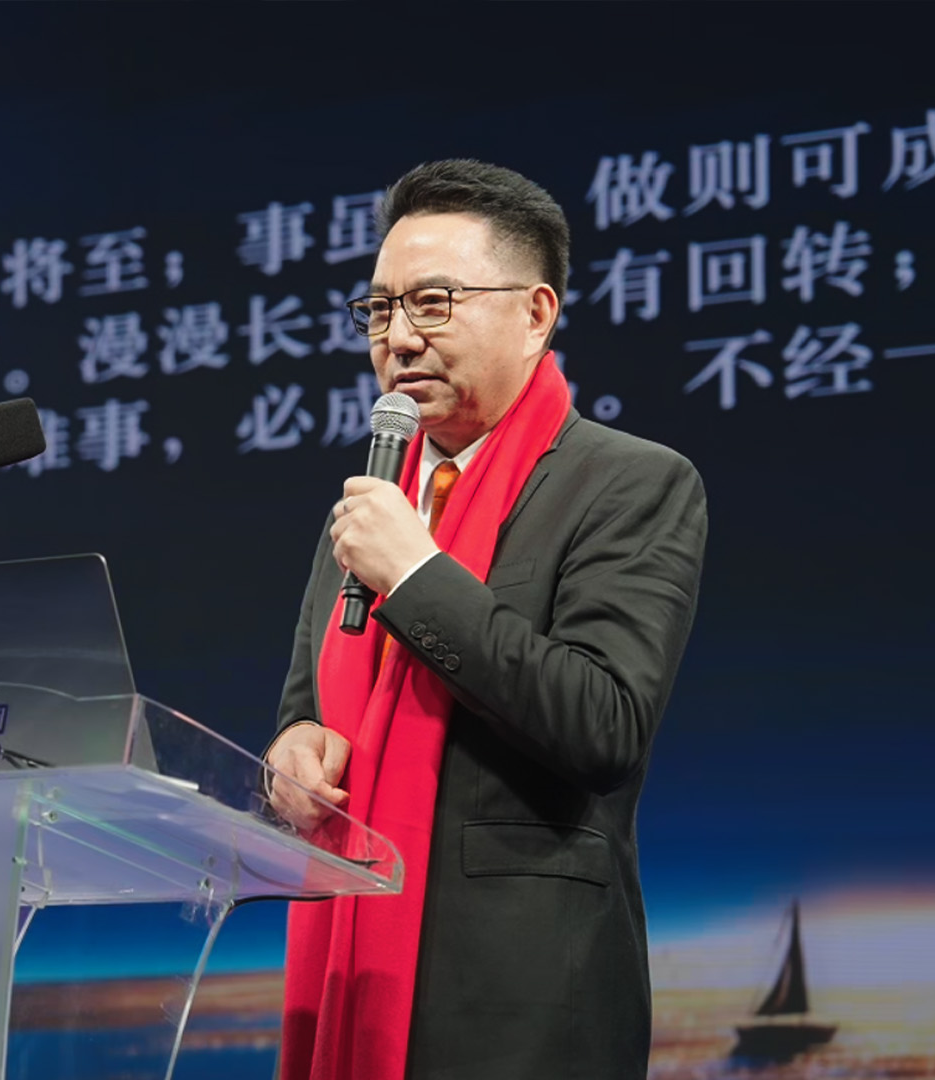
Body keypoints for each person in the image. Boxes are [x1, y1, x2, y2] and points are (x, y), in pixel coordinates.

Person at [266, 159, 707, 1080]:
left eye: (434, 303)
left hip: (521, 1004)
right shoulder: (366, 510)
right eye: (380, 310)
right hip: (350, 969)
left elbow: (602, 724)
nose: (400, 337)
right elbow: (307, 709)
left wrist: (416, 575)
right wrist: (294, 755)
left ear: (536, 314)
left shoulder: (630, 482)